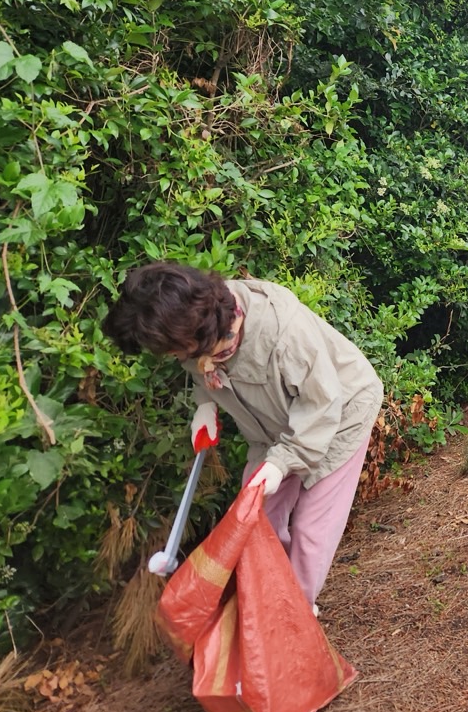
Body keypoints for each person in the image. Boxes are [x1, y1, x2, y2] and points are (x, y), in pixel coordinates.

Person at [101, 261, 382, 612]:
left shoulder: (283, 333)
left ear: (201, 334)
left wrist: (282, 464)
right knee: (255, 518)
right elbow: (196, 364)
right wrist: (205, 404)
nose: (174, 358)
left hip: (339, 412)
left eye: (175, 351)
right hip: (272, 428)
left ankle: (291, 618)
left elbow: (322, 406)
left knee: (312, 528)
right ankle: (270, 599)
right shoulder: (197, 321)